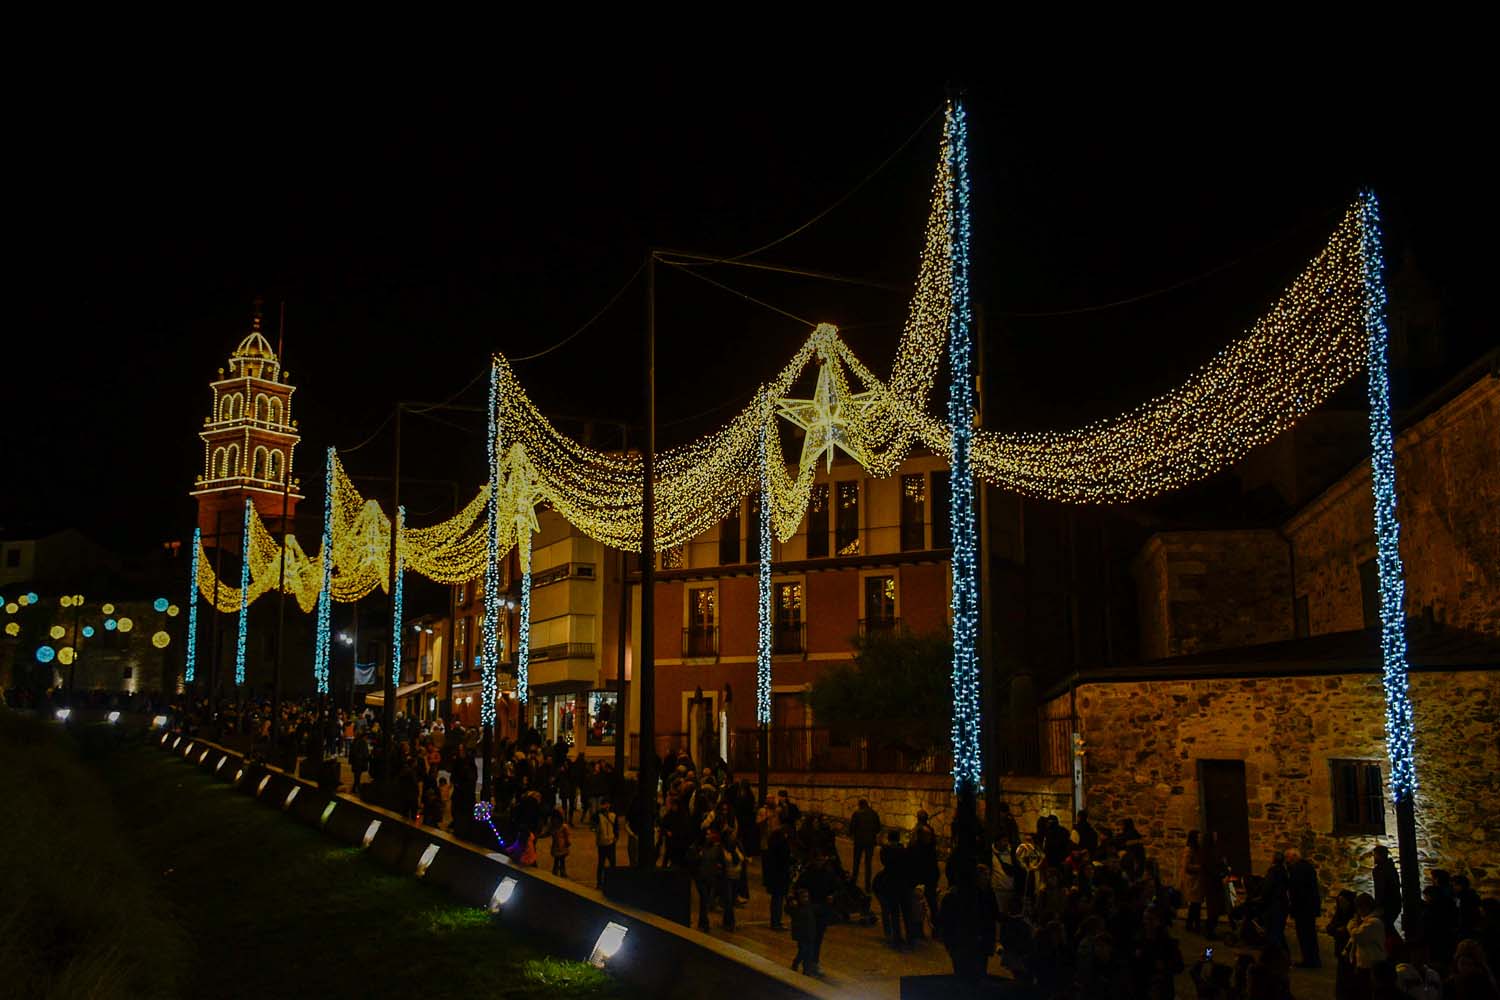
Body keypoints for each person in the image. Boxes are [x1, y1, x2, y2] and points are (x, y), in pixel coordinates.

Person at [937, 863, 1000, 981]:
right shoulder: (959, 896)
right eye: (984, 875)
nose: (987, 878)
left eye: (988, 875)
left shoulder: (988, 893)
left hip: (982, 942)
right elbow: (948, 921)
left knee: (979, 973)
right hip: (964, 944)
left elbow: (993, 913)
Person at [1286, 848, 1322, 968]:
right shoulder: (1307, 867)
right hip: (1309, 907)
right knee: (1310, 934)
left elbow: (1297, 890)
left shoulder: (1298, 870)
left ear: (1294, 857)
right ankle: (1313, 959)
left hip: (1303, 908)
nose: (1288, 861)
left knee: (1305, 935)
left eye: (1289, 858)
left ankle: (1309, 960)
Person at [1347, 892, 1388, 996]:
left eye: (1360, 907)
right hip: (1367, 963)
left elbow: (1358, 936)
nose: (1358, 911)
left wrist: (1351, 925)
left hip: (1371, 964)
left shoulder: (1373, 922)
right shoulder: (1367, 921)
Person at [1327, 889, 1358, 999]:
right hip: (1340, 950)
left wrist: (1344, 930)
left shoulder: (1353, 916)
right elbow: (1329, 928)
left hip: (1350, 952)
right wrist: (1337, 930)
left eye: (1344, 902)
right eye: (1340, 902)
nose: (1342, 904)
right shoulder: (1339, 914)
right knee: (1341, 979)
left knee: (1349, 979)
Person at [763, 817, 793, 932]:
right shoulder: (781, 845)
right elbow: (784, 860)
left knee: (776, 900)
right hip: (780, 877)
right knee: (778, 900)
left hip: (775, 876)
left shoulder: (773, 844)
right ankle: (776, 922)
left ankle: (775, 921)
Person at [714, 827, 746, 931]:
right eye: (731, 835)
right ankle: (731, 923)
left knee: (731, 902)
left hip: (737, 877)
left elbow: (742, 858)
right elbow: (719, 862)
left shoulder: (737, 846)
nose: (733, 837)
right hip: (726, 878)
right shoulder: (721, 849)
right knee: (728, 901)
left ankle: (726, 922)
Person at [1259, 851, 1291, 952]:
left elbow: (1267, 888)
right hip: (1282, 904)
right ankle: (1283, 955)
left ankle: (1276, 956)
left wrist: (1262, 898)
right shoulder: (1284, 871)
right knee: (1278, 932)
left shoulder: (1273, 871)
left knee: (1273, 933)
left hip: (1274, 904)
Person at [848, 798, 881, 893]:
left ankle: (854, 882)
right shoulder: (874, 814)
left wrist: (853, 834)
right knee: (868, 864)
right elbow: (878, 827)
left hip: (859, 841)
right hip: (870, 841)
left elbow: (852, 828)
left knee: (856, 862)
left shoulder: (856, 814)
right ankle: (867, 885)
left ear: (860, 805)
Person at [1372, 845, 1402, 931]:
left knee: (1386, 929)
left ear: (1379, 855)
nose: (1374, 857)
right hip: (1393, 904)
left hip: (1387, 905)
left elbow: (1381, 889)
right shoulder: (1390, 868)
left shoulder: (1381, 870)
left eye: (1375, 855)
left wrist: (1379, 905)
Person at [1181, 830, 1205, 932]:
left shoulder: (1197, 849)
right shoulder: (1189, 850)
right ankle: (1192, 925)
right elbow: (1187, 866)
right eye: (1198, 837)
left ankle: (1194, 924)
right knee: (1195, 904)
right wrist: (1200, 867)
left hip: (1197, 880)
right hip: (1193, 881)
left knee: (1197, 904)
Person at [594, 799, 618, 886]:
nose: (606, 806)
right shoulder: (598, 815)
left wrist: (616, 837)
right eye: (604, 804)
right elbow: (595, 825)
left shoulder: (613, 815)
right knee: (601, 864)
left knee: (612, 863)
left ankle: (613, 882)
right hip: (602, 843)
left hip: (611, 842)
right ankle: (599, 882)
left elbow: (616, 827)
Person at [548, 807, 571, 877]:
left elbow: (547, 833)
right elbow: (567, 836)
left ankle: (556, 871)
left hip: (556, 846)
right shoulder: (564, 827)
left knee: (557, 860)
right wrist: (568, 842)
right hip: (562, 846)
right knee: (561, 860)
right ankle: (562, 871)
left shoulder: (553, 826)